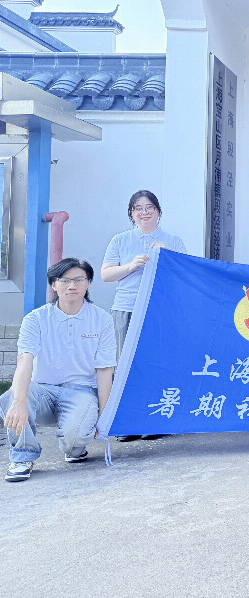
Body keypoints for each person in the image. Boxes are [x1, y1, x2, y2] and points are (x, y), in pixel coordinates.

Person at [1, 258, 116, 482]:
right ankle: (22, 456)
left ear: (89, 283)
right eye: (64, 280)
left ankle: (74, 448)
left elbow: (104, 370)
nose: (72, 286)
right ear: (54, 285)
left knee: (75, 440)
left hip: (82, 391)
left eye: (78, 280)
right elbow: (25, 360)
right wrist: (19, 402)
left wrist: (104, 416)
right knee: (12, 397)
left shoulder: (102, 319)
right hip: (42, 390)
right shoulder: (35, 319)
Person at [101, 189, 185, 442]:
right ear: (131, 213)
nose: (144, 212)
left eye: (150, 207)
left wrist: (168, 257)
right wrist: (131, 266)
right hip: (126, 307)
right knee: (126, 364)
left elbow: (183, 276)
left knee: (158, 362)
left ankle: (156, 419)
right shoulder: (120, 240)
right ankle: (128, 422)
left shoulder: (173, 240)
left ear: (158, 211)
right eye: (138, 208)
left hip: (160, 310)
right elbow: (105, 275)